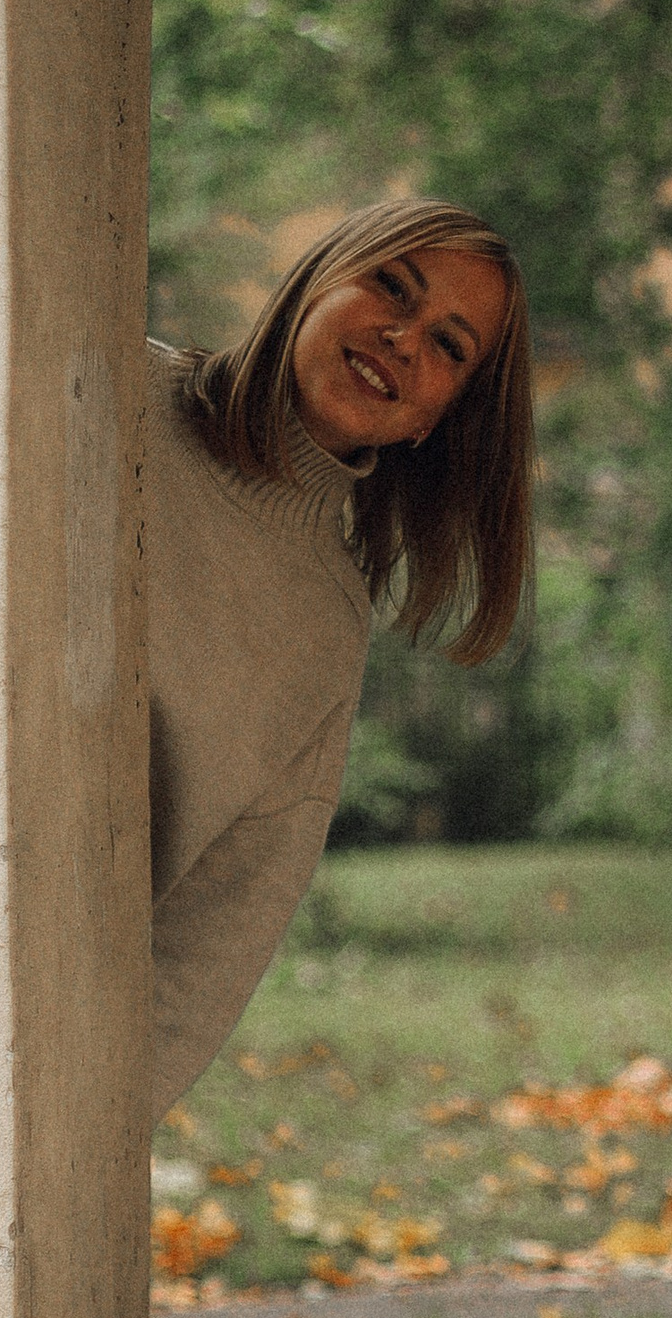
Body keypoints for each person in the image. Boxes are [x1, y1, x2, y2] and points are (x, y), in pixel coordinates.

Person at [145, 199, 532, 1122]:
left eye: (448, 346)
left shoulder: (323, 628)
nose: (402, 339)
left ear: (437, 419)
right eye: (391, 288)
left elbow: (212, 939)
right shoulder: (109, 386)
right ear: (316, 279)